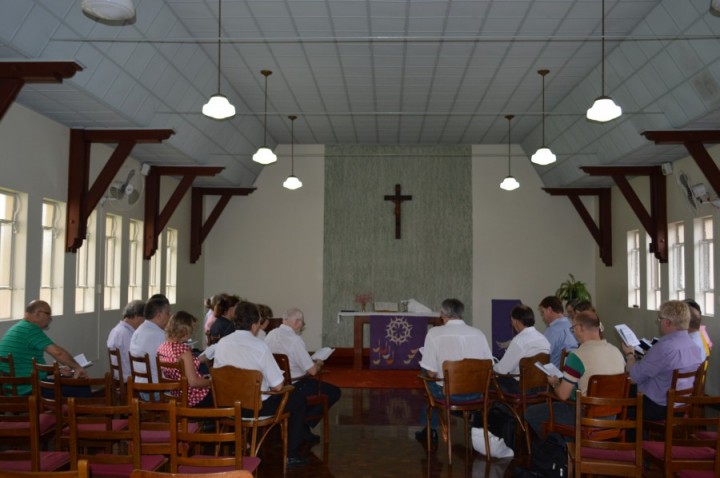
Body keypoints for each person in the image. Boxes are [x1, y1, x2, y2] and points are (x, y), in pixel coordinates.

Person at [214, 301, 309, 467]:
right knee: (299, 400)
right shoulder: (259, 346)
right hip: (255, 408)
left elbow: (218, 376)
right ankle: (291, 454)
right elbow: (278, 386)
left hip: (228, 406)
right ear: (255, 324)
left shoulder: (222, 343)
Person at [524, 310, 625, 439]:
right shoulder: (616, 352)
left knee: (532, 413)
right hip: (612, 417)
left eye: (573, 328)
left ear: (580, 328)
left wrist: (555, 383)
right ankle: (571, 447)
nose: (573, 332)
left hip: (585, 417)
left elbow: (563, 395)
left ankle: (564, 449)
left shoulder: (577, 356)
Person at [416, 298, 492, 441]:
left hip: (448, 394)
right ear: (461, 313)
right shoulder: (478, 333)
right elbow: (489, 365)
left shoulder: (434, 333)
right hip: (477, 394)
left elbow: (431, 373)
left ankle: (430, 430)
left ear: (442, 313)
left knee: (427, 377)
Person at [265, 307, 342, 442]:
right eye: (302, 323)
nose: (302, 326)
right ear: (297, 322)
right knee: (335, 392)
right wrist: (318, 362)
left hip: (275, 384)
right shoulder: (295, 340)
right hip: (296, 384)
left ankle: (300, 425)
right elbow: (312, 371)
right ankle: (302, 424)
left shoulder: (270, 335)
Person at [622, 300, 703, 421]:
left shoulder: (664, 347)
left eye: (660, 319)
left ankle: (635, 437)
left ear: (667, 323)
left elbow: (633, 377)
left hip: (659, 408)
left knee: (623, 397)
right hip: (682, 406)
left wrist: (630, 355)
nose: (659, 322)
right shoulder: (695, 347)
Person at [0, 300, 89, 395]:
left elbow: (25, 366)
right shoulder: (30, 329)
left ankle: (61, 408)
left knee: (66, 381)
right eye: (48, 314)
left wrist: (57, 370)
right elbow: (57, 352)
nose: (50, 318)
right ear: (38, 313)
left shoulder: (18, 327)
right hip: (30, 390)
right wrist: (77, 367)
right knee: (81, 386)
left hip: (15, 388)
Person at [157, 311, 213, 407]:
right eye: (192, 329)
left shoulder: (161, 347)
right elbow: (193, 382)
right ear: (185, 331)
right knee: (223, 390)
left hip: (176, 395)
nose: (192, 333)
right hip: (193, 398)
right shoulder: (184, 351)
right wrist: (212, 381)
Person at [493, 304, 551, 394]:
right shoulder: (543, 339)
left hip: (521, 388)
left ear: (516, 321)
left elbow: (502, 370)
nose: (512, 324)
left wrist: (492, 367)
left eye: (512, 320)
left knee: (490, 381)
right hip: (541, 387)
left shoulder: (519, 341)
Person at [129, 295, 171, 383]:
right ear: (159, 315)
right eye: (167, 313)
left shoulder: (137, 331)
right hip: (158, 389)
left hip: (140, 385)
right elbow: (172, 366)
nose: (169, 316)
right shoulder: (161, 335)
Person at [107, 300, 145, 380]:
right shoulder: (127, 335)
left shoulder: (115, 330)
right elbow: (136, 359)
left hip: (118, 376)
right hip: (129, 378)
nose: (144, 322)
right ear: (136, 317)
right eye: (143, 319)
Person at [539, 295, 578, 368]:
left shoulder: (552, 330)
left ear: (549, 310)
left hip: (554, 376)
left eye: (543, 312)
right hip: (572, 371)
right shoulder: (573, 325)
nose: (543, 317)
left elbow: (542, 356)